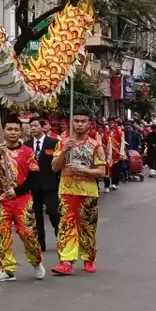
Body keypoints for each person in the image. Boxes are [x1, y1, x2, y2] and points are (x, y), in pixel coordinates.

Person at [0, 119, 44, 282]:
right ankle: (7, 268)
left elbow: (35, 178)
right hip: (0, 199)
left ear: (21, 132)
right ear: (3, 131)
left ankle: (36, 260)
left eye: (15, 130)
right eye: (9, 129)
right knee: (1, 235)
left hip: (23, 199)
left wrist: (17, 190)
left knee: (28, 233)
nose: (12, 132)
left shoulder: (27, 152)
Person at [51, 112, 107, 275]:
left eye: (83, 121)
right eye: (76, 121)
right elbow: (55, 166)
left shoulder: (96, 145)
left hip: (88, 191)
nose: (80, 124)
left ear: (89, 124)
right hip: (66, 190)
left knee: (87, 226)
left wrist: (83, 169)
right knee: (66, 225)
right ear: (71, 123)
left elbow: (101, 172)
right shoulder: (62, 143)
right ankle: (66, 261)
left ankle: (89, 258)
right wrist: (64, 151)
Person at [28, 118, 60, 250]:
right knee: (37, 215)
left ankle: (61, 239)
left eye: (36, 126)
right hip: (33, 185)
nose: (33, 128)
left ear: (43, 127)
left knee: (53, 213)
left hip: (50, 184)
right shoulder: (27, 144)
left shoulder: (53, 143)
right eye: (31, 126)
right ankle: (40, 244)